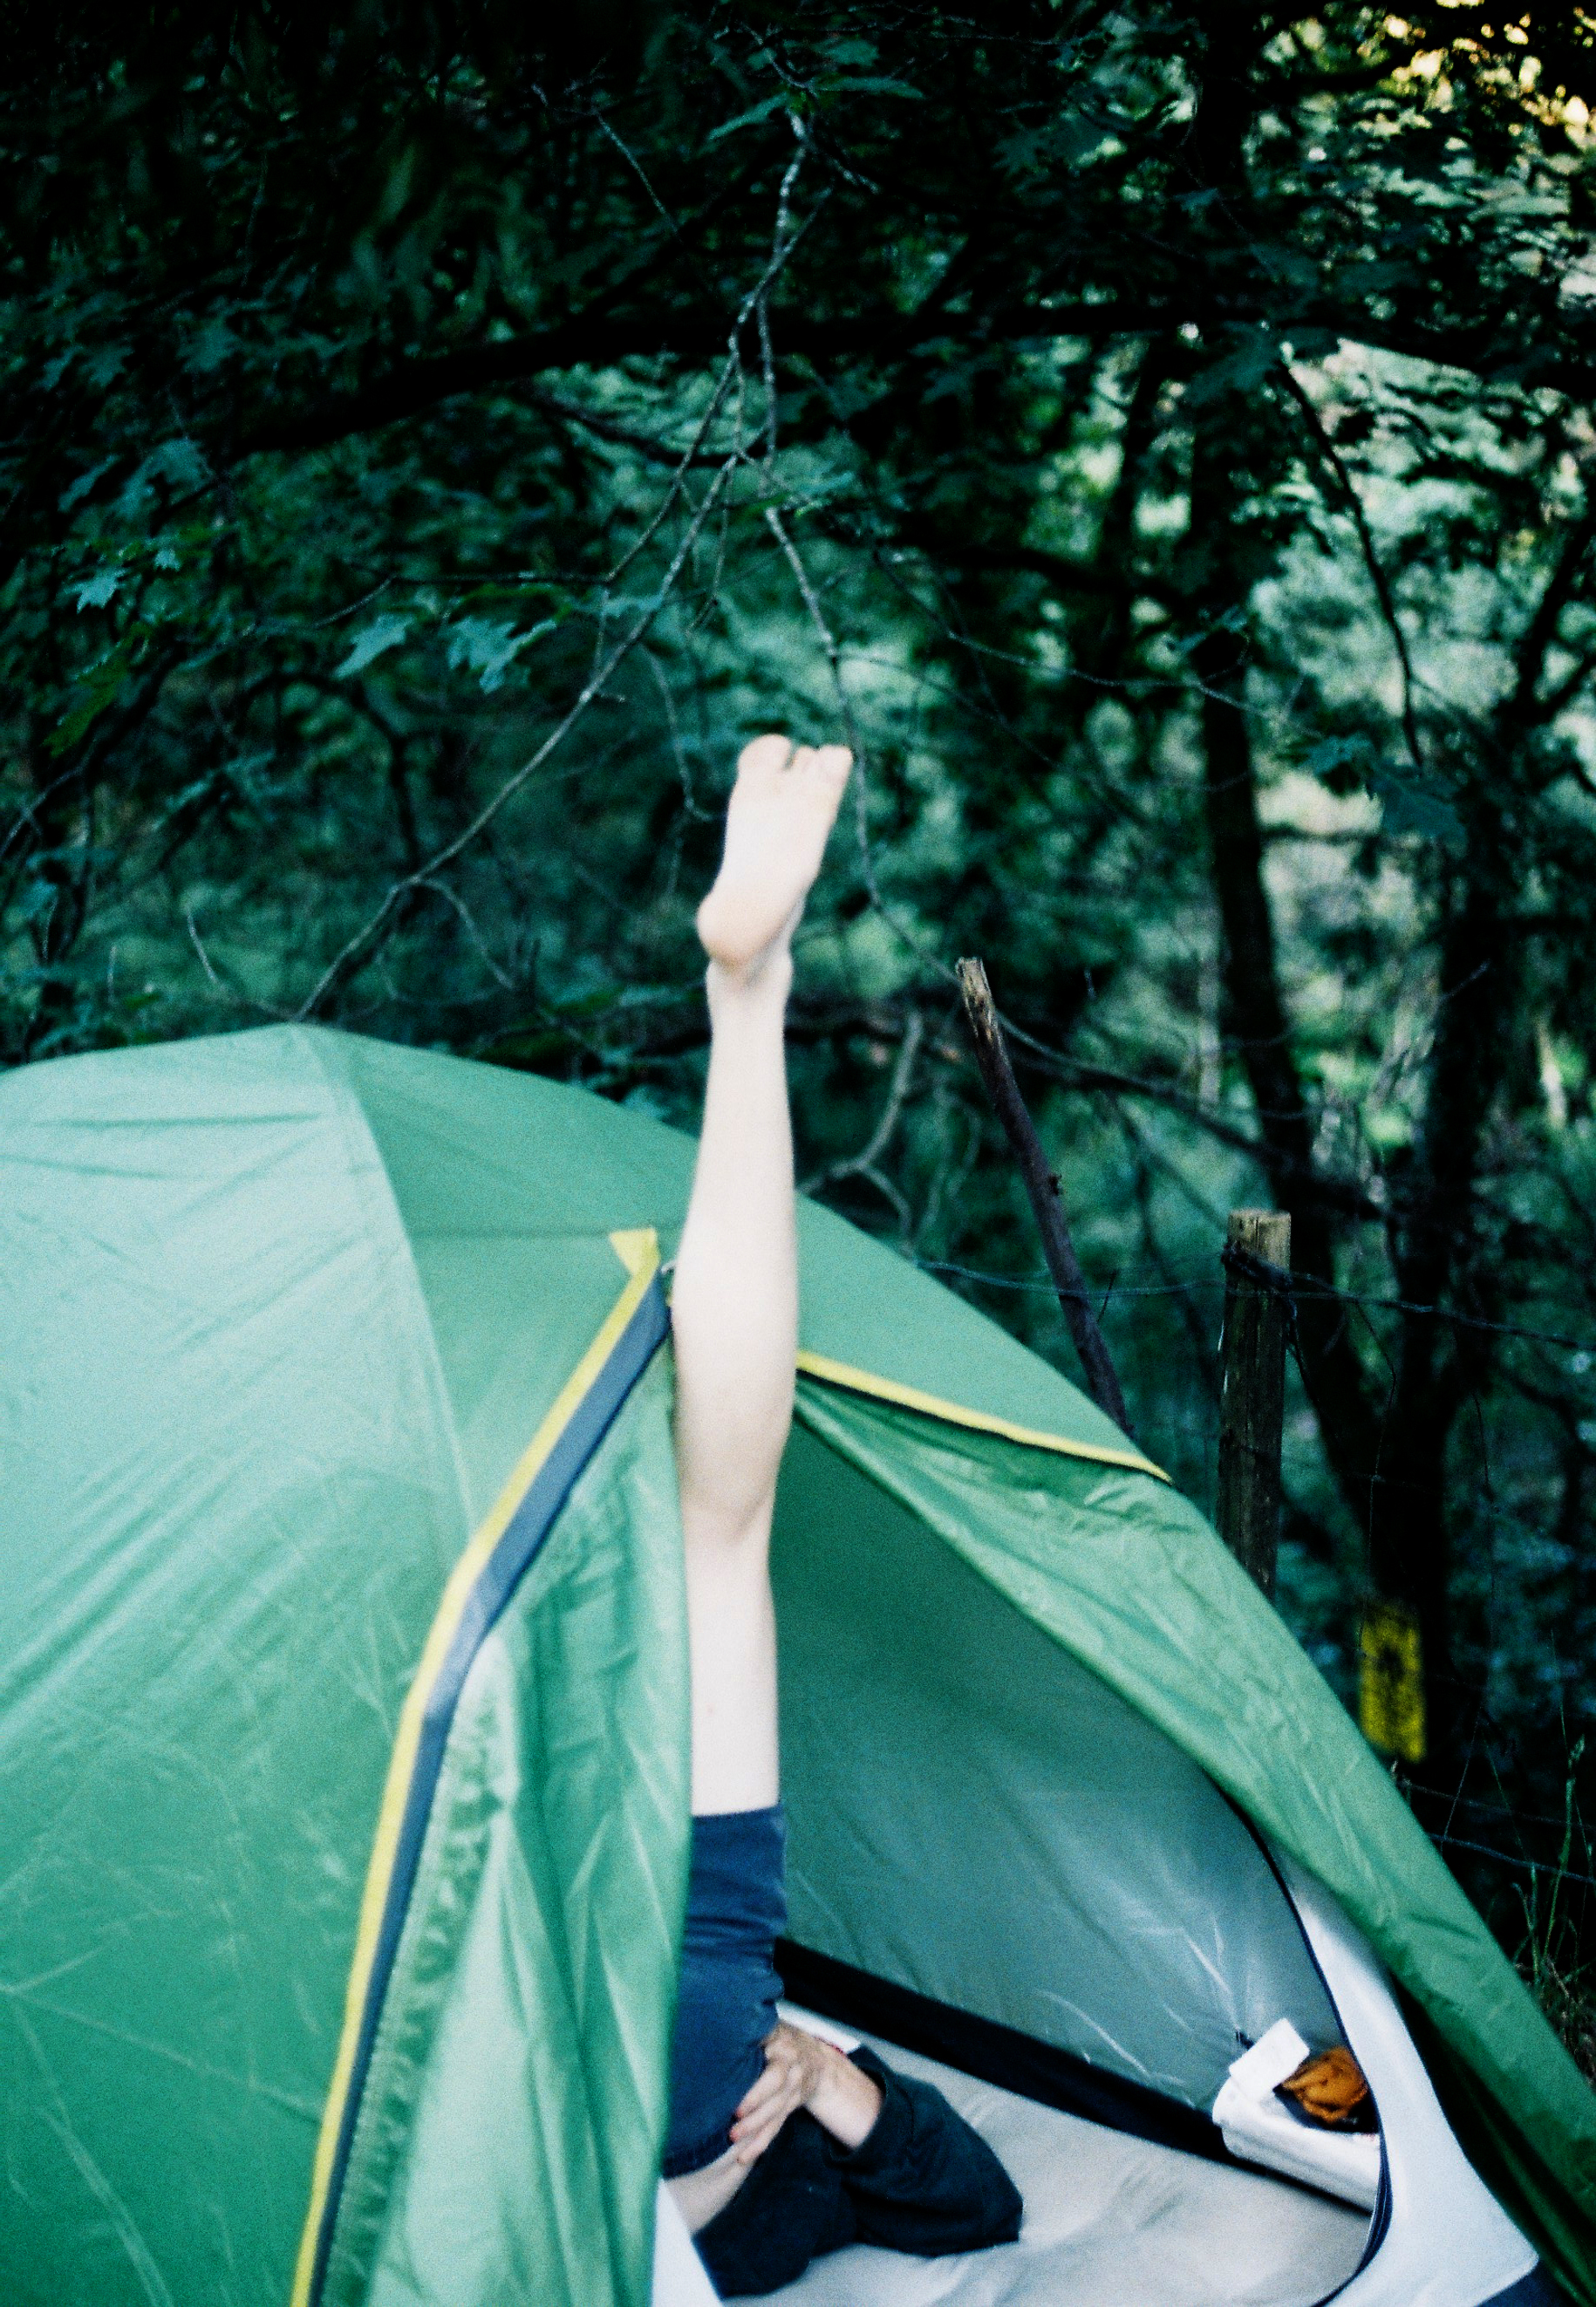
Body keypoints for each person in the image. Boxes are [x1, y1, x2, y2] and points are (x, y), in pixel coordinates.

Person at [663, 733, 1024, 2297]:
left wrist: (807, 2075)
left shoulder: (761, 2189)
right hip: (679, 2013)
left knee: (717, 1530)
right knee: (716, 1532)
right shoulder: (791, 2179)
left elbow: (974, 2207)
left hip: (622, 2051)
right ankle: (748, 995)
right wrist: (820, 2074)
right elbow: (972, 2198)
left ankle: (749, 1002)